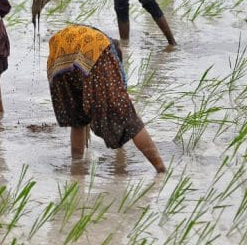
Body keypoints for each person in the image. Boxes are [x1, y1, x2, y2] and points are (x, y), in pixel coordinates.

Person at [47, 25, 166, 172]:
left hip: (58, 53)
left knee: (77, 120)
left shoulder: (98, 37)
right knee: (129, 118)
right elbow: (120, 96)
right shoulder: (108, 52)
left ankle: (77, 166)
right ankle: (161, 169)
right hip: (90, 48)